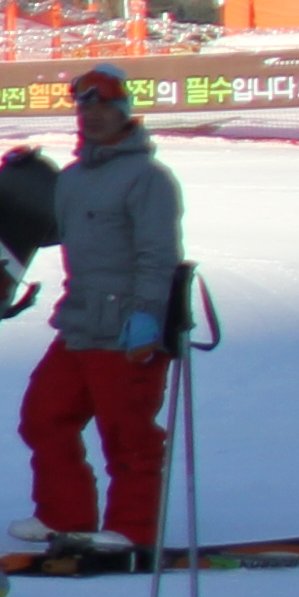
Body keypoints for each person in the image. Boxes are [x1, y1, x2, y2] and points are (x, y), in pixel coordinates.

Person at [20, 60, 186, 563]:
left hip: (127, 329)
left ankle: (132, 529)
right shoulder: (71, 179)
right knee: (44, 416)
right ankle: (64, 515)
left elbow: (157, 255)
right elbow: (53, 232)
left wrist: (148, 316)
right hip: (79, 323)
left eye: (105, 106)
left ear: (125, 112)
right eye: (83, 107)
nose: (91, 115)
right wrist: (24, 179)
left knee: (128, 433)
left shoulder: (148, 179)